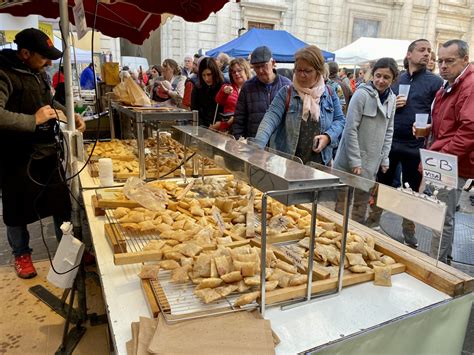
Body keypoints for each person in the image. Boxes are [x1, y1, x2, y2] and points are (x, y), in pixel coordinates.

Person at [0, 28, 86, 278]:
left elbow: (49, 103)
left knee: (60, 203)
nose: (49, 62)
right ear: (25, 53)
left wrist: (71, 115)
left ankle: (67, 248)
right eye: (44, 57)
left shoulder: (39, 74)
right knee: (16, 210)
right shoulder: (4, 74)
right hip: (15, 155)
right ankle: (21, 254)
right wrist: (33, 120)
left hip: (46, 151)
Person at [368, 39, 443, 248]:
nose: (427, 54)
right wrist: (393, 105)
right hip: (390, 144)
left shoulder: (435, 82)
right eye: (422, 50)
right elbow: (378, 104)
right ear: (409, 54)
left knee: (412, 193)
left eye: (429, 51)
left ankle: (408, 231)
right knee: (381, 186)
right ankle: (373, 221)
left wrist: (429, 126)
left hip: (415, 147)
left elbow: (439, 113)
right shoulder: (395, 79)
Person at [418, 40, 473, 263]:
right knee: (441, 212)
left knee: (441, 216)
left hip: (452, 160)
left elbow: (469, 129)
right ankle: (442, 260)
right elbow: (452, 124)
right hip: (446, 156)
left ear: (465, 60)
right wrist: (431, 129)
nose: (442, 66)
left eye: (449, 61)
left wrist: (440, 157)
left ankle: (437, 266)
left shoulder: (469, 86)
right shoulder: (450, 84)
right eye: (440, 61)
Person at [253, 45, 345, 166]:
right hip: (288, 163)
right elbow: (269, 119)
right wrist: (257, 148)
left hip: (320, 164)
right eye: (298, 70)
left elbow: (340, 120)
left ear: (318, 71)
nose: (302, 75)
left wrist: (328, 137)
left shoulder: (330, 93)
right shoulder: (286, 93)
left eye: (307, 71)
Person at [334, 58, 398, 223]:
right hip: (349, 160)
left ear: (393, 79)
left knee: (361, 205)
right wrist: (355, 160)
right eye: (378, 75)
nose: (381, 80)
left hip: (371, 162)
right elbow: (350, 128)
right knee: (341, 203)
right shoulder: (361, 94)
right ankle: (336, 234)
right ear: (372, 74)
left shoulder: (392, 99)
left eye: (386, 77)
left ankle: (356, 236)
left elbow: (389, 130)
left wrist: (385, 158)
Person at [232, 46, 291, 139]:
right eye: (256, 67)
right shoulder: (247, 87)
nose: (260, 70)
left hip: (278, 145)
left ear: (273, 63)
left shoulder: (287, 85)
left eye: (263, 66)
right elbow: (239, 118)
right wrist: (239, 140)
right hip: (254, 143)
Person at [213, 58, 251, 132]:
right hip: (229, 130)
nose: (236, 73)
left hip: (248, 128)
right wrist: (224, 91)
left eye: (239, 70)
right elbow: (218, 100)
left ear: (246, 71)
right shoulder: (227, 87)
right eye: (233, 72)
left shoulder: (254, 88)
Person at [191, 57, 224, 126]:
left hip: (221, 127)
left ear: (215, 72)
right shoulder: (198, 87)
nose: (206, 79)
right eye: (203, 75)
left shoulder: (223, 85)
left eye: (209, 74)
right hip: (203, 128)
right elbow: (195, 110)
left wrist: (220, 123)